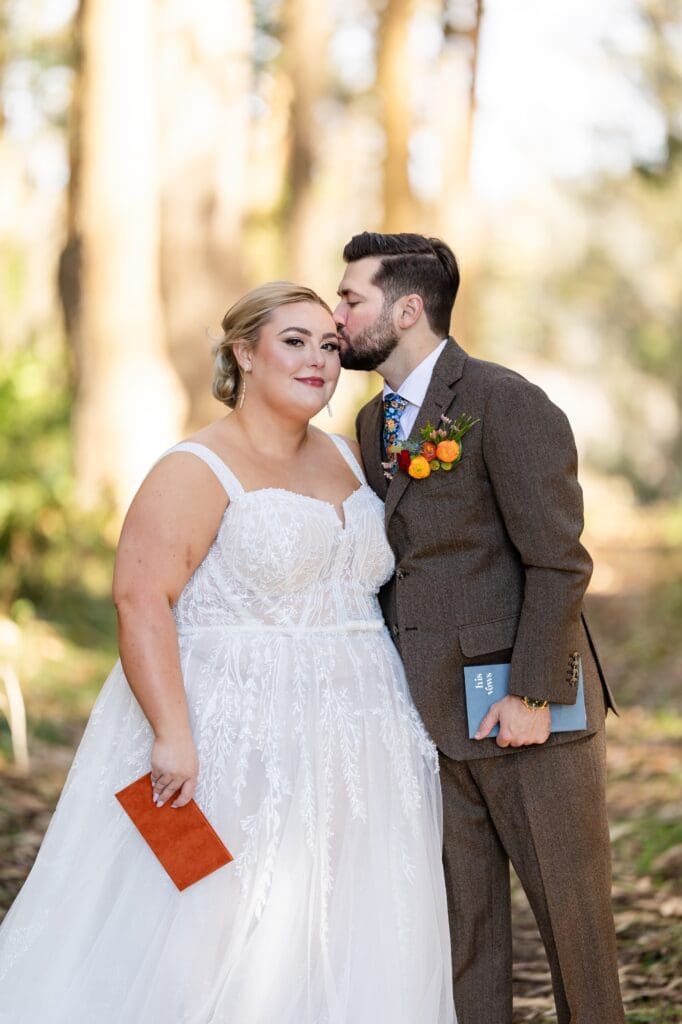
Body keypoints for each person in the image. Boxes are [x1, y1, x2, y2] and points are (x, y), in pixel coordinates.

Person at [0, 282, 455, 1024]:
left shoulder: (351, 457)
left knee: (350, 918)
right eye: (295, 341)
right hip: (231, 737)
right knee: (208, 924)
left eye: (330, 345)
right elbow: (140, 598)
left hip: (360, 735)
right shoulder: (195, 466)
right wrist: (173, 735)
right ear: (244, 352)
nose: (319, 361)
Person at [334, 232, 625, 1024]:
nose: (337, 316)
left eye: (350, 297)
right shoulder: (371, 426)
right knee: (464, 942)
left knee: (576, 934)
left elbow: (559, 561)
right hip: (428, 722)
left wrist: (533, 692)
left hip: (527, 716)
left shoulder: (503, 399)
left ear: (407, 307)